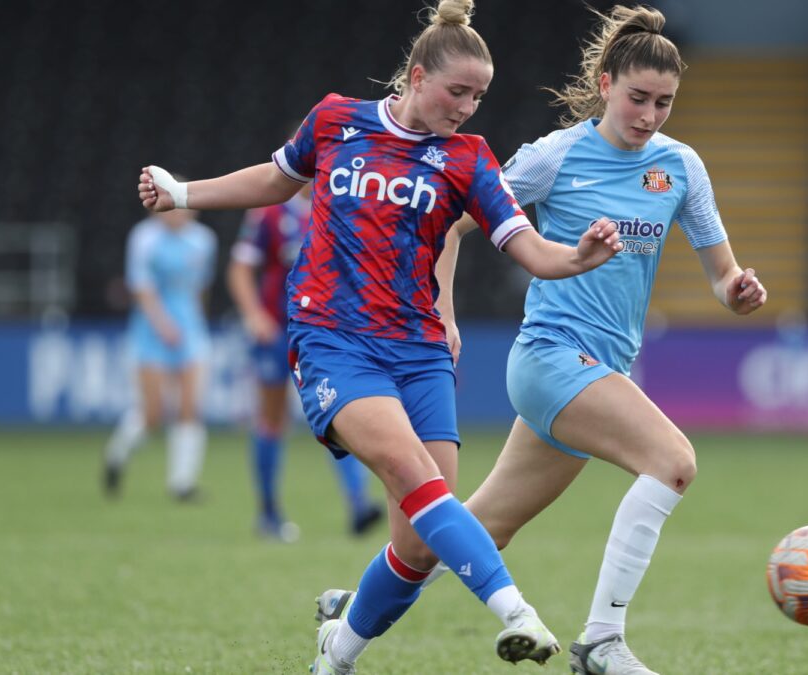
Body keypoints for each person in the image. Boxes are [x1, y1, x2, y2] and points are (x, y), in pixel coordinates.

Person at [137, 1, 624, 671]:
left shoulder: (468, 159)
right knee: (412, 472)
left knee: (418, 545)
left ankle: (336, 652)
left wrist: (579, 256)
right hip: (333, 338)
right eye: (458, 90)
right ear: (417, 76)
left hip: (419, 351)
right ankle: (518, 611)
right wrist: (183, 193)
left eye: (479, 96)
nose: (467, 107)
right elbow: (276, 180)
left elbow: (531, 250)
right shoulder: (337, 119)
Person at [317, 6, 766, 674]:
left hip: (600, 367)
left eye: (664, 103)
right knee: (673, 461)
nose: (649, 115)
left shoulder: (681, 167)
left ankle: (347, 620)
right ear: (607, 83)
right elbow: (450, 222)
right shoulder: (557, 156)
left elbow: (722, 272)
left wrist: (737, 290)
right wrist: (442, 308)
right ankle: (602, 640)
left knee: (472, 529)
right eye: (638, 97)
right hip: (550, 359)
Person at [228, 188, 383, 541]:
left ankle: (359, 505)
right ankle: (268, 513)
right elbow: (239, 268)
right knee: (273, 417)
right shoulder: (268, 214)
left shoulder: (341, 207)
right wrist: (253, 315)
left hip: (323, 330)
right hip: (277, 329)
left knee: (340, 412)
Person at [103, 199, 217, 502]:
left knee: (190, 407)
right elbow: (142, 289)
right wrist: (163, 326)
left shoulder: (203, 240)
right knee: (153, 413)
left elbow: (199, 288)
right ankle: (117, 454)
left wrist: (193, 324)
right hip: (150, 333)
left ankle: (183, 484)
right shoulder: (144, 238)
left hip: (190, 330)